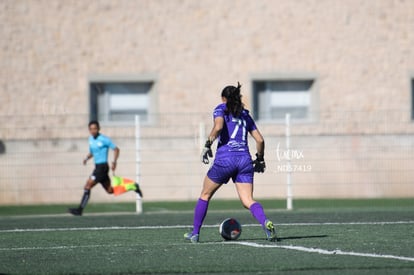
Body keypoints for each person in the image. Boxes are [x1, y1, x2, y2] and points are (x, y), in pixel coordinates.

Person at [184, 82, 277, 243]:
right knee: (248, 200)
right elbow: (260, 140)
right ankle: (265, 223)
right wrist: (260, 159)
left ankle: (195, 233)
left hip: (225, 160)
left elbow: (218, 126)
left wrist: (207, 145)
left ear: (223, 98)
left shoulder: (220, 109)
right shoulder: (245, 114)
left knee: (205, 195)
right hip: (244, 161)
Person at [68, 120, 142, 216]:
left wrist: (114, 162)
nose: (93, 131)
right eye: (91, 129)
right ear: (89, 130)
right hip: (98, 167)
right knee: (110, 190)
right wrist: (86, 158)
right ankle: (132, 186)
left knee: (87, 186)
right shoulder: (90, 139)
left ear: (99, 129)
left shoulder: (104, 139)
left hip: (102, 168)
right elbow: (92, 152)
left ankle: (80, 210)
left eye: (95, 128)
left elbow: (116, 149)